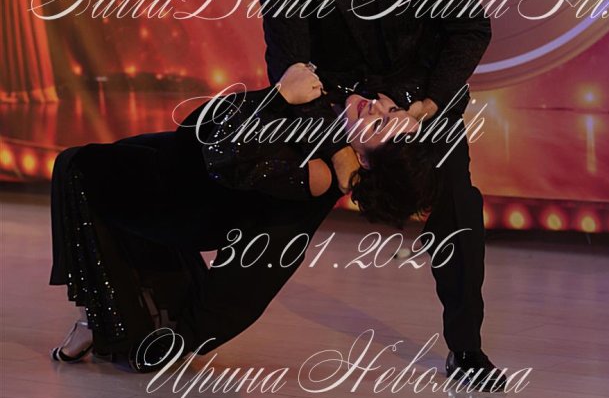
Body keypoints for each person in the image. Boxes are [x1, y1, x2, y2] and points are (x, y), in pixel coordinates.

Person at [257, 0, 505, 389]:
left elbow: (469, 26)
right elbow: (290, 69)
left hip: (422, 104)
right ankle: (190, 325)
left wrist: (423, 105)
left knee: (457, 206)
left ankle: (466, 350)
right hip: (340, 118)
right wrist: (350, 123)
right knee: (273, 218)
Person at [49, 63, 426, 371]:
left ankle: (98, 321)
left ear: (364, 162)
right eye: (392, 110)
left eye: (380, 125)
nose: (377, 108)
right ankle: (111, 318)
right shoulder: (335, 132)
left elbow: (220, 151)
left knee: (77, 166)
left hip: (177, 197)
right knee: (101, 168)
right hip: (173, 170)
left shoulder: (317, 176)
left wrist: (279, 96)